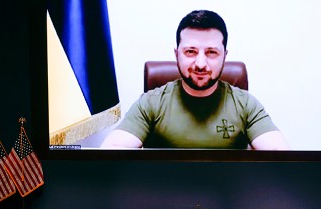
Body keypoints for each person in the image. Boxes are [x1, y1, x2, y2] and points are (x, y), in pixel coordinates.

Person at [100, 10, 289, 150]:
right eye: (190, 51)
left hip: (228, 200)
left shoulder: (245, 104)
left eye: (211, 52)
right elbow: (111, 152)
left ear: (224, 55)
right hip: (163, 198)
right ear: (177, 55)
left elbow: (282, 158)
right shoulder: (151, 102)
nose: (200, 63)